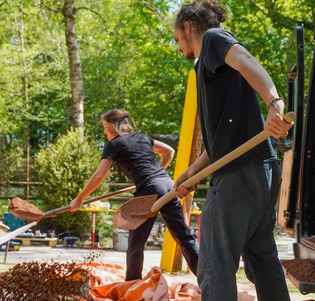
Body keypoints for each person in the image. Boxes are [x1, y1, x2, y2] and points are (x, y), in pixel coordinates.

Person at [172, 1, 292, 300]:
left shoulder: (213, 38)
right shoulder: (216, 71)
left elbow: (246, 58)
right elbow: (223, 145)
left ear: (188, 27)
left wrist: (274, 103)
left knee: (215, 264)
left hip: (238, 178)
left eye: (177, 39)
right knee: (262, 262)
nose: (178, 48)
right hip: (260, 172)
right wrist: (192, 172)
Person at [69, 108, 199, 281]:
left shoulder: (113, 144)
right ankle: (209, 280)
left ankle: (132, 285)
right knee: (184, 237)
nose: (104, 131)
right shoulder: (141, 137)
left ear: (114, 126)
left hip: (149, 192)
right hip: (168, 187)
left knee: (135, 245)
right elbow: (169, 151)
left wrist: (80, 198)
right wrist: (158, 174)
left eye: (105, 126)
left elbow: (99, 175)